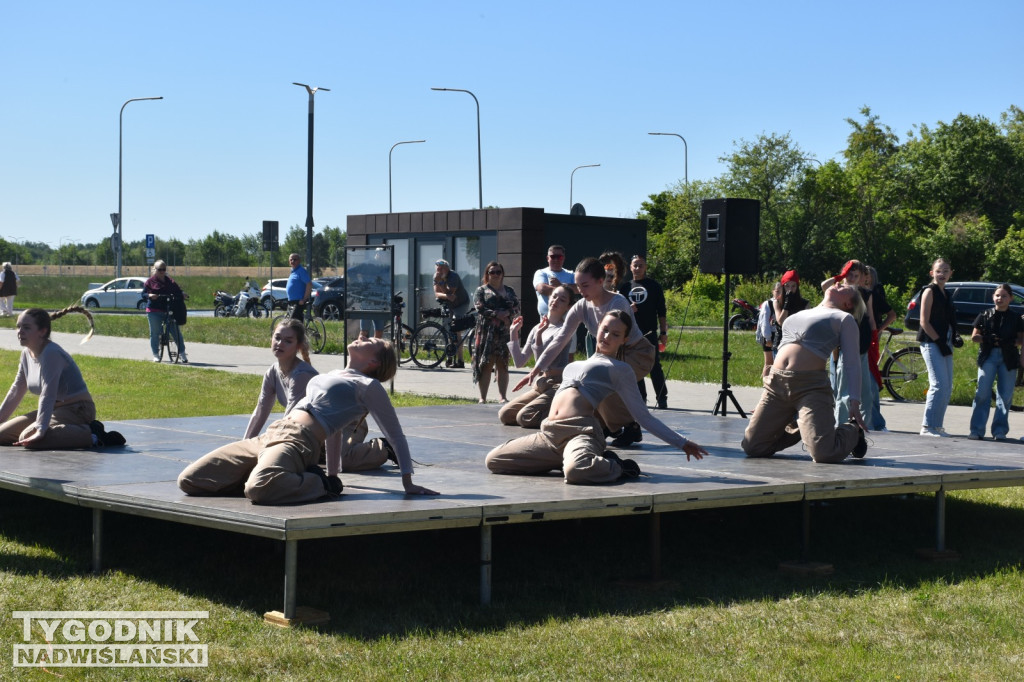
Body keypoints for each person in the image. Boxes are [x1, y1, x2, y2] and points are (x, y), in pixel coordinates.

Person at [178, 337, 438, 504]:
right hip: (272, 434)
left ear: (373, 361)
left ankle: (315, 483)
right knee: (190, 479)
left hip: (297, 441)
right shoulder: (336, 373)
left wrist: (408, 482)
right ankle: (277, 476)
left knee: (259, 488)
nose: (362, 336)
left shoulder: (368, 385)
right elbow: (335, 432)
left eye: (372, 340)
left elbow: (396, 435)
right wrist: (335, 471)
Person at [486, 310, 709, 484]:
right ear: (596, 330)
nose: (607, 337)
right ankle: (564, 459)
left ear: (623, 340)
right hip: (549, 434)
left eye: (615, 334)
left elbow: (643, 416)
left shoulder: (620, 369)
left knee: (576, 472)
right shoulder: (573, 366)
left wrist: (681, 443)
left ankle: (617, 466)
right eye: (604, 330)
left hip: (580, 433)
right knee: (495, 460)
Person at [515, 257, 656, 448]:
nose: (580, 291)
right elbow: (560, 338)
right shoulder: (582, 306)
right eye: (578, 286)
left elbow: (616, 345)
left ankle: (629, 426)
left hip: (637, 353)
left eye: (585, 285)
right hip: (610, 355)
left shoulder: (617, 303)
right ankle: (604, 424)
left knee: (604, 379)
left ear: (600, 281)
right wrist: (536, 369)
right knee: (593, 380)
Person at [741, 284, 868, 463]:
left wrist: (855, 401)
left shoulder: (844, 318)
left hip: (811, 387)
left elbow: (853, 363)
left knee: (824, 454)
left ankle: (853, 431)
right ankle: (803, 425)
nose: (839, 283)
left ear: (848, 303)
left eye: (846, 287)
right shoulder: (800, 313)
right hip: (776, 385)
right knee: (752, 446)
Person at [0, 307, 125, 449]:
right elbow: (16, 390)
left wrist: (41, 428)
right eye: (18, 327)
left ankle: (93, 434)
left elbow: (48, 393)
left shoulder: (51, 353)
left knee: (29, 437)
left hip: (78, 409)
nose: (20, 332)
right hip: (55, 410)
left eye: (26, 327)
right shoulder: (26, 354)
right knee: (1, 434)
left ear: (43, 331)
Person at [499, 284, 576, 428]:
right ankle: (549, 410)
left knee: (524, 418)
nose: (555, 301)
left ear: (568, 306)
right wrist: (513, 333)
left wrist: (539, 337)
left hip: (556, 384)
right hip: (541, 383)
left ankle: (560, 414)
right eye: (554, 296)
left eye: (562, 300)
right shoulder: (537, 327)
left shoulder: (564, 330)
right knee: (505, 415)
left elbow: (545, 364)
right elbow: (520, 362)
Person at [822, 260, 876, 429]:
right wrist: (840, 276)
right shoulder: (838, 293)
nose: (852, 278)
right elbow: (824, 285)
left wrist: (874, 341)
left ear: (862, 278)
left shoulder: (865, 294)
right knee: (844, 394)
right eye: (849, 274)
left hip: (863, 349)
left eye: (856, 275)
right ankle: (840, 429)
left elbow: (871, 320)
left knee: (867, 395)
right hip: (845, 349)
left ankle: (861, 431)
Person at [244, 318, 319, 439]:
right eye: (277, 338)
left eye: (288, 341)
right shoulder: (273, 372)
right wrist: (245, 443)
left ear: (298, 346)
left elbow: (289, 421)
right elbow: (261, 410)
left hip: (320, 436)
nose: (280, 343)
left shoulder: (301, 375)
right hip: (300, 431)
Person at [968, 284, 1024, 441]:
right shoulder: (985, 314)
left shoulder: (1015, 318)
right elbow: (974, 337)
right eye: (998, 295)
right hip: (988, 356)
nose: (1000, 299)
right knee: (982, 393)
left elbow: (1021, 339)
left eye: (1004, 296)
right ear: (993, 297)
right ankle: (977, 430)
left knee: (1005, 395)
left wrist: (1011, 342)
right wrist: (987, 338)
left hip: (1008, 357)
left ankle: (999, 430)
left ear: (1011, 298)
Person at [619, 254, 669, 408]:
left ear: (645, 267)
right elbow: (619, 311)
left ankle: (662, 399)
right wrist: (628, 309)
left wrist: (663, 333)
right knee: (634, 366)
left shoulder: (654, 286)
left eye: (641, 265)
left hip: (649, 333)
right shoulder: (625, 288)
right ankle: (641, 399)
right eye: (635, 265)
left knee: (655, 366)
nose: (638, 268)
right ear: (630, 267)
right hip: (631, 334)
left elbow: (661, 312)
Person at [917, 258, 957, 437]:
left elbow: (949, 319)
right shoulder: (929, 291)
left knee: (947, 386)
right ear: (932, 273)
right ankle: (927, 427)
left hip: (945, 342)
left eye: (946, 271)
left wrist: (954, 337)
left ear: (951, 274)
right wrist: (939, 342)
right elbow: (924, 322)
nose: (942, 274)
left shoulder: (947, 294)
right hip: (931, 343)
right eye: (939, 271)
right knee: (938, 384)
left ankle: (937, 426)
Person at [865, 265, 897, 432]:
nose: (865, 278)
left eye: (867, 275)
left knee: (871, 378)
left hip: (871, 337)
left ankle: (877, 421)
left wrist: (879, 329)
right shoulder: (855, 293)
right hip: (861, 336)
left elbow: (892, 314)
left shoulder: (875, 293)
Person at [144, 260, 188, 363]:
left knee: (176, 332)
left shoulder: (170, 281)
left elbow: (177, 290)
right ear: (154, 269)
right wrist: (150, 295)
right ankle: (156, 354)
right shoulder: (150, 282)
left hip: (168, 309)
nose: (162, 272)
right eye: (160, 269)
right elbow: (144, 294)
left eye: (164, 269)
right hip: (154, 310)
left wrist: (182, 294)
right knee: (155, 332)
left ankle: (182, 353)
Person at [433, 259, 470, 368]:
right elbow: (437, 293)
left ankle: (460, 361)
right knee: (449, 330)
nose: (439, 271)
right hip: (449, 304)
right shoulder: (436, 276)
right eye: (438, 269)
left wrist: (440, 282)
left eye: (442, 268)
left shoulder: (453, 276)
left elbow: (449, 292)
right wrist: (447, 296)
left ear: (447, 268)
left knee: (456, 329)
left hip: (461, 304)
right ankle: (449, 356)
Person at [533, 245, 575, 317]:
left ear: (563, 258)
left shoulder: (571, 274)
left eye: (559, 257)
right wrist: (567, 290)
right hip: (546, 321)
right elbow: (542, 289)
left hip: (567, 321)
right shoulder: (541, 273)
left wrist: (560, 285)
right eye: (553, 257)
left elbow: (578, 289)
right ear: (547, 258)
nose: (556, 260)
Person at [758, 282, 784, 378]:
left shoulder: (783, 304)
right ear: (772, 292)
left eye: (781, 291)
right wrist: (767, 338)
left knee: (777, 361)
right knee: (769, 362)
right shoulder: (768, 304)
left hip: (779, 334)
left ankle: (773, 382)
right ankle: (766, 385)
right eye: (777, 291)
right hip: (769, 334)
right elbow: (764, 322)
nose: (779, 294)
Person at [286, 252, 312, 321]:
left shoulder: (301, 271)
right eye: (291, 260)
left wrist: (304, 299)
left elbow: (309, 284)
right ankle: (303, 331)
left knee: (293, 322)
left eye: (295, 259)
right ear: (289, 261)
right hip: (292, 301)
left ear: (299, 261)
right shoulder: (293, 271)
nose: (293, 261)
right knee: (297, 322)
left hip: (299, 301)